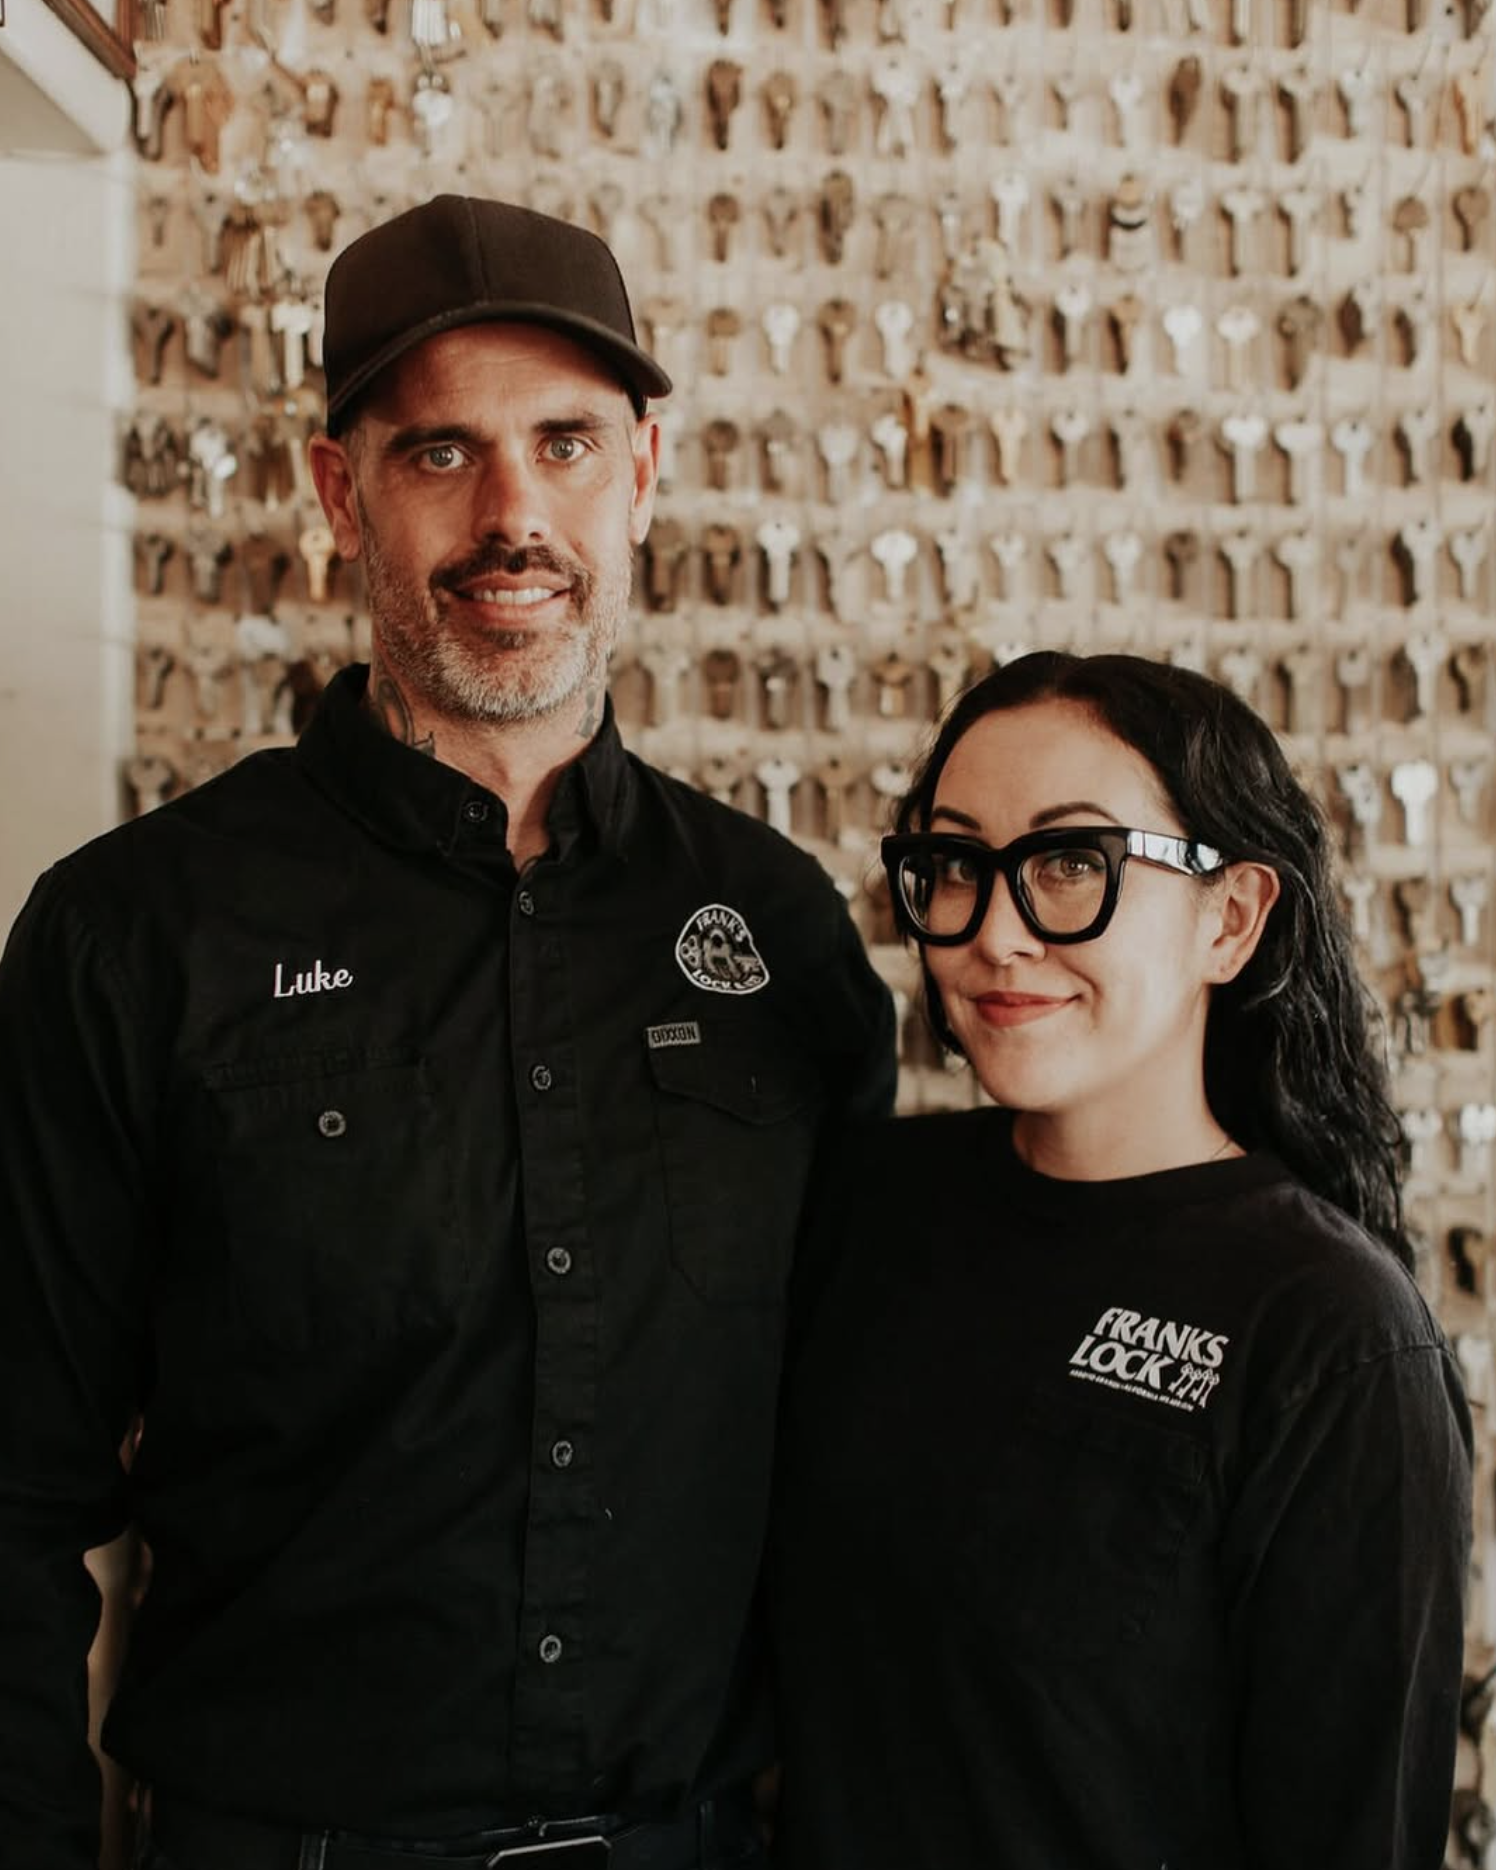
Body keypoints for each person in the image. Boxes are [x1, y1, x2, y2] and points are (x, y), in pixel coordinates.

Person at [0, 195, 895, 1870]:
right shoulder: (135, 933)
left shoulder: (778, 934)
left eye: (564, 444)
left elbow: (855, 1469)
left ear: (641, 472)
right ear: (341, 492)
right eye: (440, 453)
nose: (513, 516)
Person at [770, 650, 1471, 1870]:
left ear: (1228, 918)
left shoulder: (1330, 1335)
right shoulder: (868, 1206)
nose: (994, 934)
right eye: (953, 866)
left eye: (1068, 863)